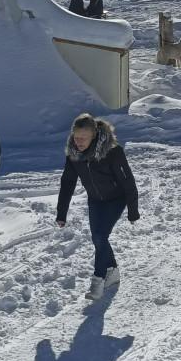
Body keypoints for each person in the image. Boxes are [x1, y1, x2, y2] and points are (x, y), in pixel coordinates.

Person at [56, 113, 140, 300]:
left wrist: (133, 210)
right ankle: (113, 271)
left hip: (116, 199)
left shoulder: (113, 152)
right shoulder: (74, 155)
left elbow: (128, 181)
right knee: (98, 239)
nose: (78, 142)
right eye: (76, 137)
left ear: (93, 136)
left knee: (101, 236)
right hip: (95, 200)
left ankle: (98, 280)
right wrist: (61, 213)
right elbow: (67, 183)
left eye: (83, 138)